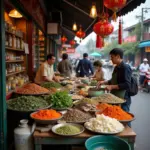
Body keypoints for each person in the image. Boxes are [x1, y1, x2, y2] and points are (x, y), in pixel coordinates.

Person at [97, 48, 132, 113]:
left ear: (118, 56)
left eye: (112, 57)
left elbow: (127, 84)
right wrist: (104, 82)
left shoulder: (125, 67)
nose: (111, 59)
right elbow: (113, 80)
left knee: (123, 118)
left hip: (123, 98)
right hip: (115, 96)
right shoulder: (116, 67)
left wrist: (112, 87)